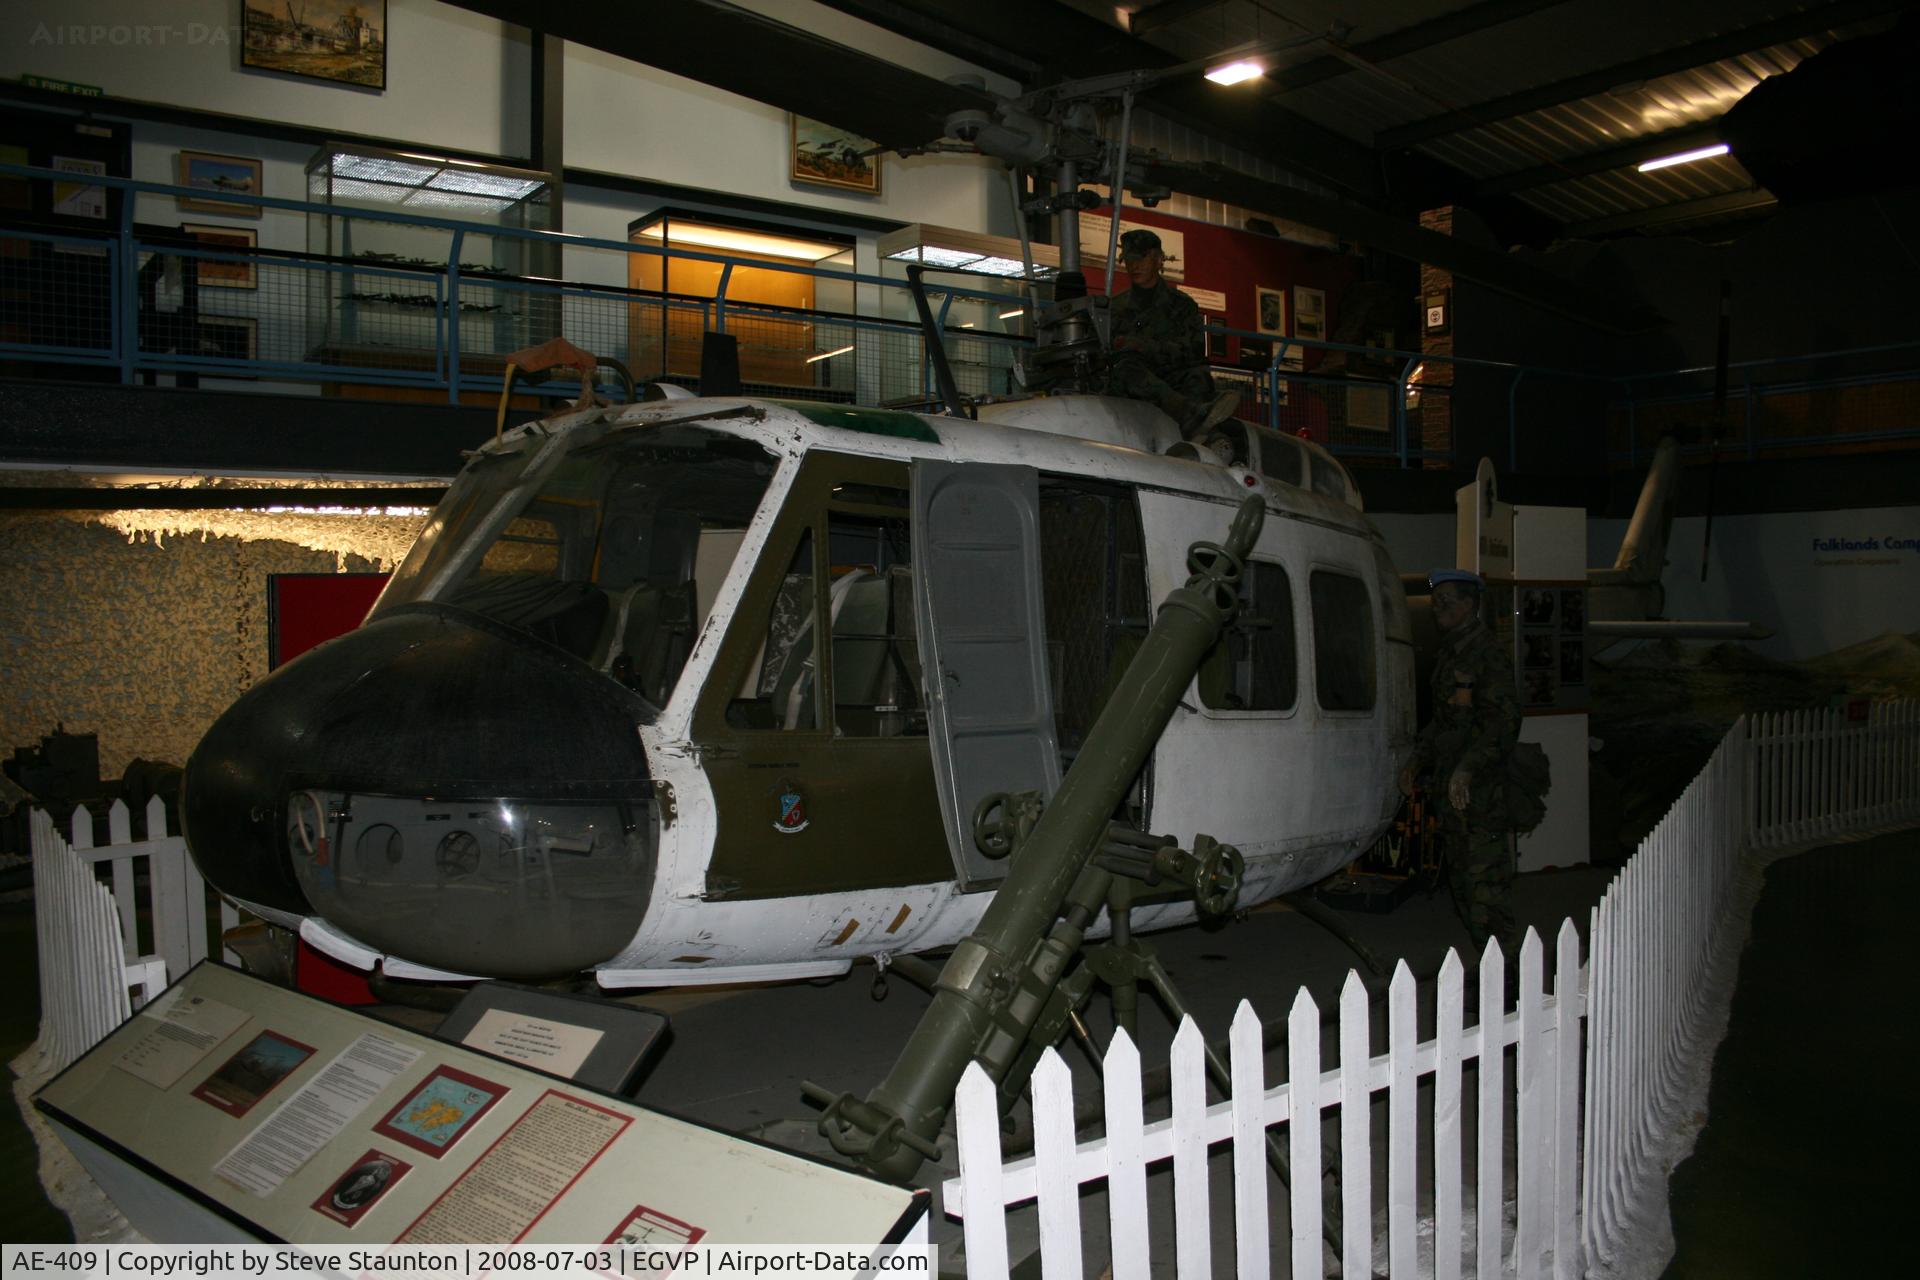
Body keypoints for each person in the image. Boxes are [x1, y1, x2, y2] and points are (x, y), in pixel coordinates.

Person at [1398, 568, 1523, 958]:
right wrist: (1416, 760)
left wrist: (1467, 769)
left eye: (1448, 601)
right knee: (1465, 889)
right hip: (1452, 796)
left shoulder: (1486, 654)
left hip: (1479, 796)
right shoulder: (1451, 652)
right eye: (1436, 601)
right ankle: (1492, 975)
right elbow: (1445, 721)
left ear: (1470, 606)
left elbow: (1504, 724)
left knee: (1485, 890)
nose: (1438, 608)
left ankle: (1509, 982)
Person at [1105, 228, 1239, 440]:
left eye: (1142, 258)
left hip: (1171, 374)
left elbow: (1192, 351)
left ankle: (1204, 433)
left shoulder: (1181, 305)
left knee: (1198, 376)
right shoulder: (1115, 308)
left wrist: (1144, 346)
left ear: (1159, 260)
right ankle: (1192, 417)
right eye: (1129, 259)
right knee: (1126, 370)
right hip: (1134, 383)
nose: (1134, 265)